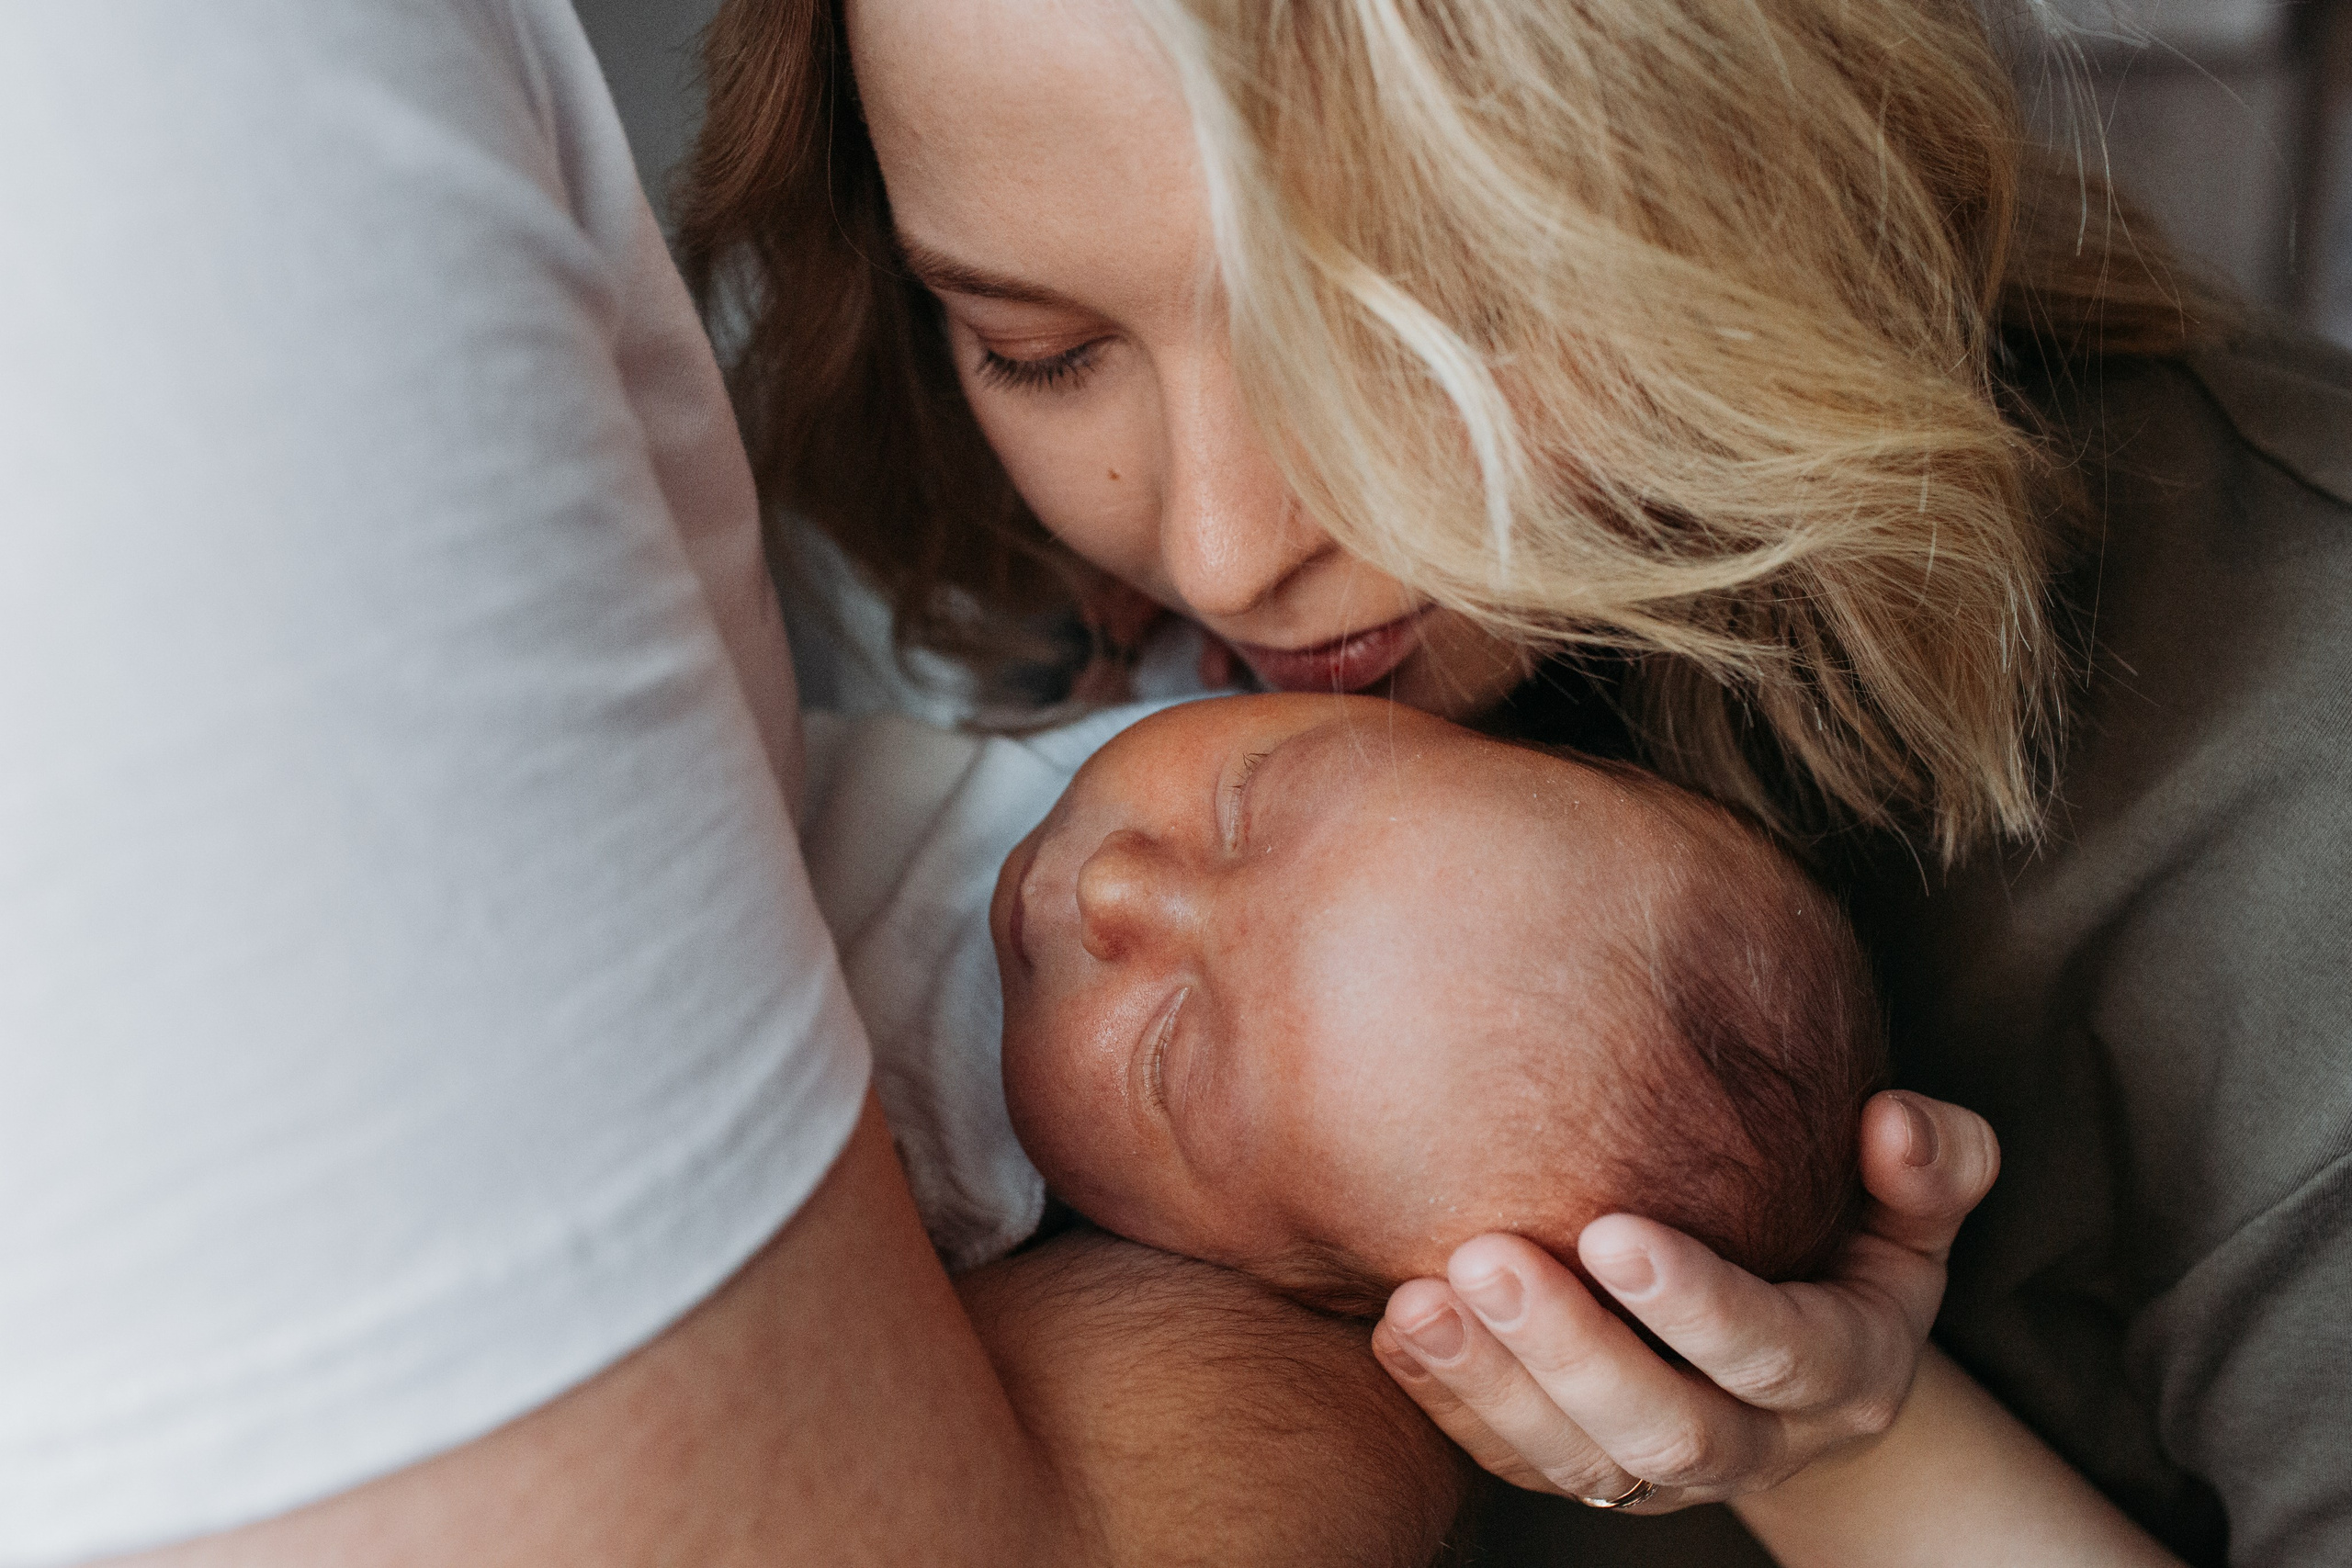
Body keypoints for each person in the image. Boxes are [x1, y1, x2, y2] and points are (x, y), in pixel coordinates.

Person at [675, 0, 2352, 1562]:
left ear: (1744, 134)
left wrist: (1829, 1436)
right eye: (1037, 348)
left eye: (1383, 326)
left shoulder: (2294, 803)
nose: (1222, 548)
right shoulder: (1003, 569)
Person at [808, 691, 1885, 1302]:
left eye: (1170, 1056)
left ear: (1244, 1273)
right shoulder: (1174, 661)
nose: (1114, 885)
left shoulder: (910, 1221)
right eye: (1245, 799)